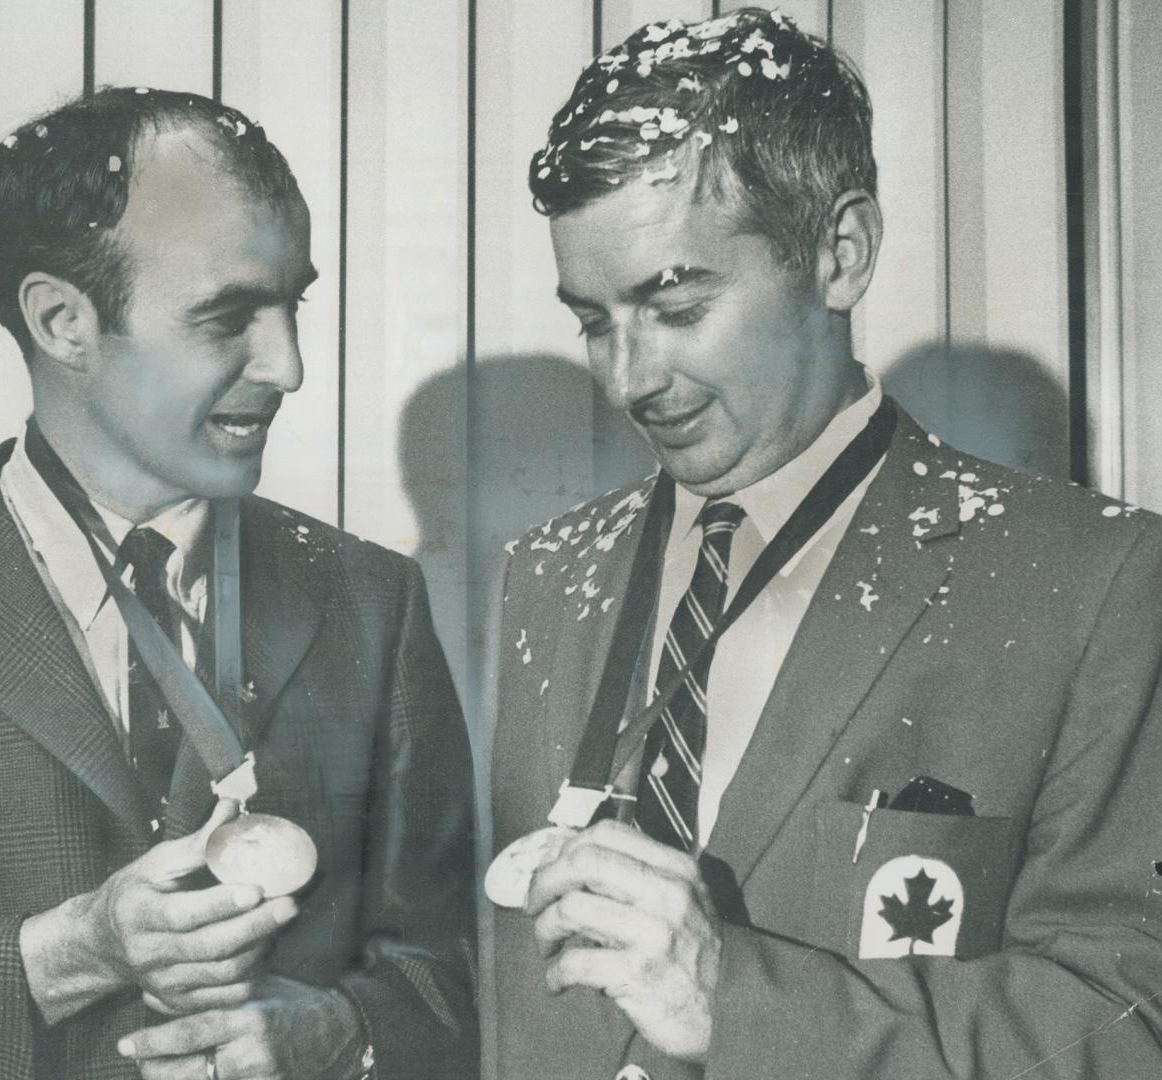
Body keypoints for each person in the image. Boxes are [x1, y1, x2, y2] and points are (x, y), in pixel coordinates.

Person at [490, 9, 1162, 1079]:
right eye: (591, 319)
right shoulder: (546, 574)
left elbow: (1126, 1022)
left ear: (840, 254)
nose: (626, 380)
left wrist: (736, 1000)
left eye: (675, 303)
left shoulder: (1098, 585)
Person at [0, 88, 477, 1080]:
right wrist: (68, 953)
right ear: (63, 321)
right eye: (228, 315)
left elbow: (460, 969)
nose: (288, 366)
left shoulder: (374, 603)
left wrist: (341, 1032)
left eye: (294, 302)